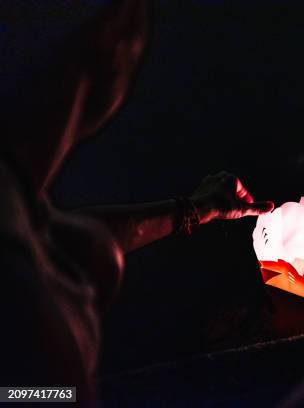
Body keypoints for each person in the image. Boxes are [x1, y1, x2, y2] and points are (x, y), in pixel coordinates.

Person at [0, 1, 273, 406]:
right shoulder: (22, 294)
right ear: (115, 37)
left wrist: (198, 209)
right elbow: (32, 395)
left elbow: (63, 238)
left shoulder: (17, 199)